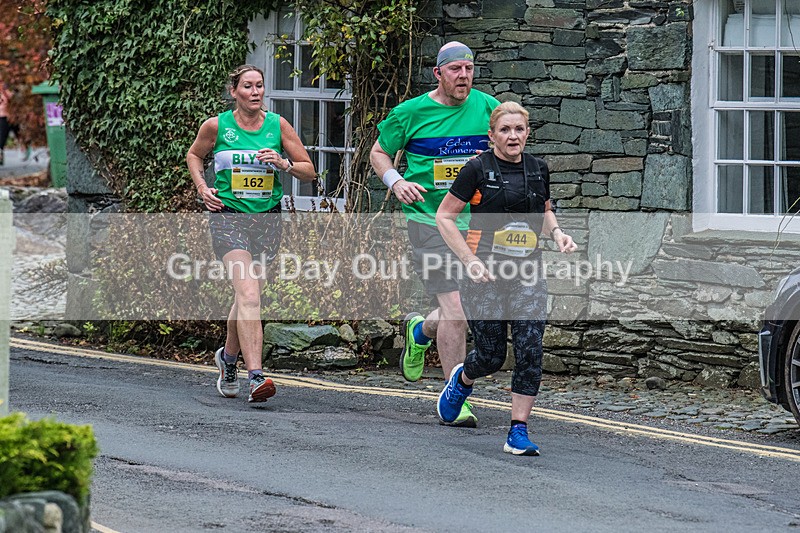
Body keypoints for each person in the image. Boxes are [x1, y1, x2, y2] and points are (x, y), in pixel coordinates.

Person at [370, 42, 500, 427]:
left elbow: (509, 151)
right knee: (456, 308)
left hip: (476, 225)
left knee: (462, 308)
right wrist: (396, 182)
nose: (464, 76)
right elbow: (379, 152)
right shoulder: (410, 113)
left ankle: (420, 329)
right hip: (428, 221)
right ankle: (454, 397)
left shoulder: (488, 108)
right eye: (456, 69)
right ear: (438, 73)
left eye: (469, 69)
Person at [435, 101, 577, 455]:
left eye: (519, 129)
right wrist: (469, 260)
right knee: (491, 355)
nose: (513, 136)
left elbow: (544, 208)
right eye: (505, 130)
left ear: (527, 133)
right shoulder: (476, 169)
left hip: (527, 271)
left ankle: (518, 430)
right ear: (492, 135)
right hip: (483, 274)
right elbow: (444, 217)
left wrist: (557, 233)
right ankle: (461, 380)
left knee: (530, 347)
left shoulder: (538, 169)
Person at [186, 65, 315, 403]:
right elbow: (194, 154)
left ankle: (228, 359)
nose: (255, 92)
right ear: (234, 92)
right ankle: (256, 375)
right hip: (228, 217)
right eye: (247, 86)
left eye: (259, 86)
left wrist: (284, 164)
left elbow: (309, 171)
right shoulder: (217, 126)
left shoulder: (277, 125)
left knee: (248, 297)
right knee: (249, 295)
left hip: (267, 220)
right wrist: (202, 187)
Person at [0, 81, 12, 166]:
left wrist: (4, 91)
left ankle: (24, 146)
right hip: (1, 116)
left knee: (3, 136)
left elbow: (10, 99)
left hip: (6, 116)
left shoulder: (7, 91)